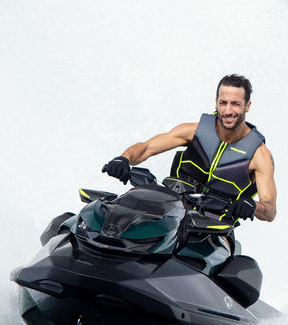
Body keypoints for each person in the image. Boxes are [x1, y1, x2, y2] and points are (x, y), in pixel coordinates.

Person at [101, 74, 277, 223]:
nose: (228, 110)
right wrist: (123, 159)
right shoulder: (193, 131)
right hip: (170, 212)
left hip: (213, 228)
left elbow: (270, 210)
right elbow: (146, 148)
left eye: (235, 104)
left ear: (247, 106)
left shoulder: (259, 155)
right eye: (223, 103)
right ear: (216, 103)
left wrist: (253, 206)